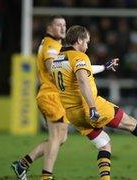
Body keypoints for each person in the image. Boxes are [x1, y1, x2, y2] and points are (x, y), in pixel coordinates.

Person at [51, 25, 137, 180]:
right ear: (79, 40)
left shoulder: (57, 59)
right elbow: (82, 80)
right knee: (130, 123)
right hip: (89, 106)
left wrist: (104, 67)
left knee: (104, 144)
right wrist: (92, 107)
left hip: (73, 114)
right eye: (86, 42)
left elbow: (83, 69)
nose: (87, 46)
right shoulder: (79, 56)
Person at [11, 16, 118, 180]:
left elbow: (76, 69)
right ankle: (46, 176)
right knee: (56, 137)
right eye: (58, 24)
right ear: (49, 27)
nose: (62, 27)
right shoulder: (51, 46)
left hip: (54, 96)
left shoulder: (54, 46)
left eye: (64, 25)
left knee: (60, 138)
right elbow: (58, 70)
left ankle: (23, 164)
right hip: (51, 95)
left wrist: (103, 67)